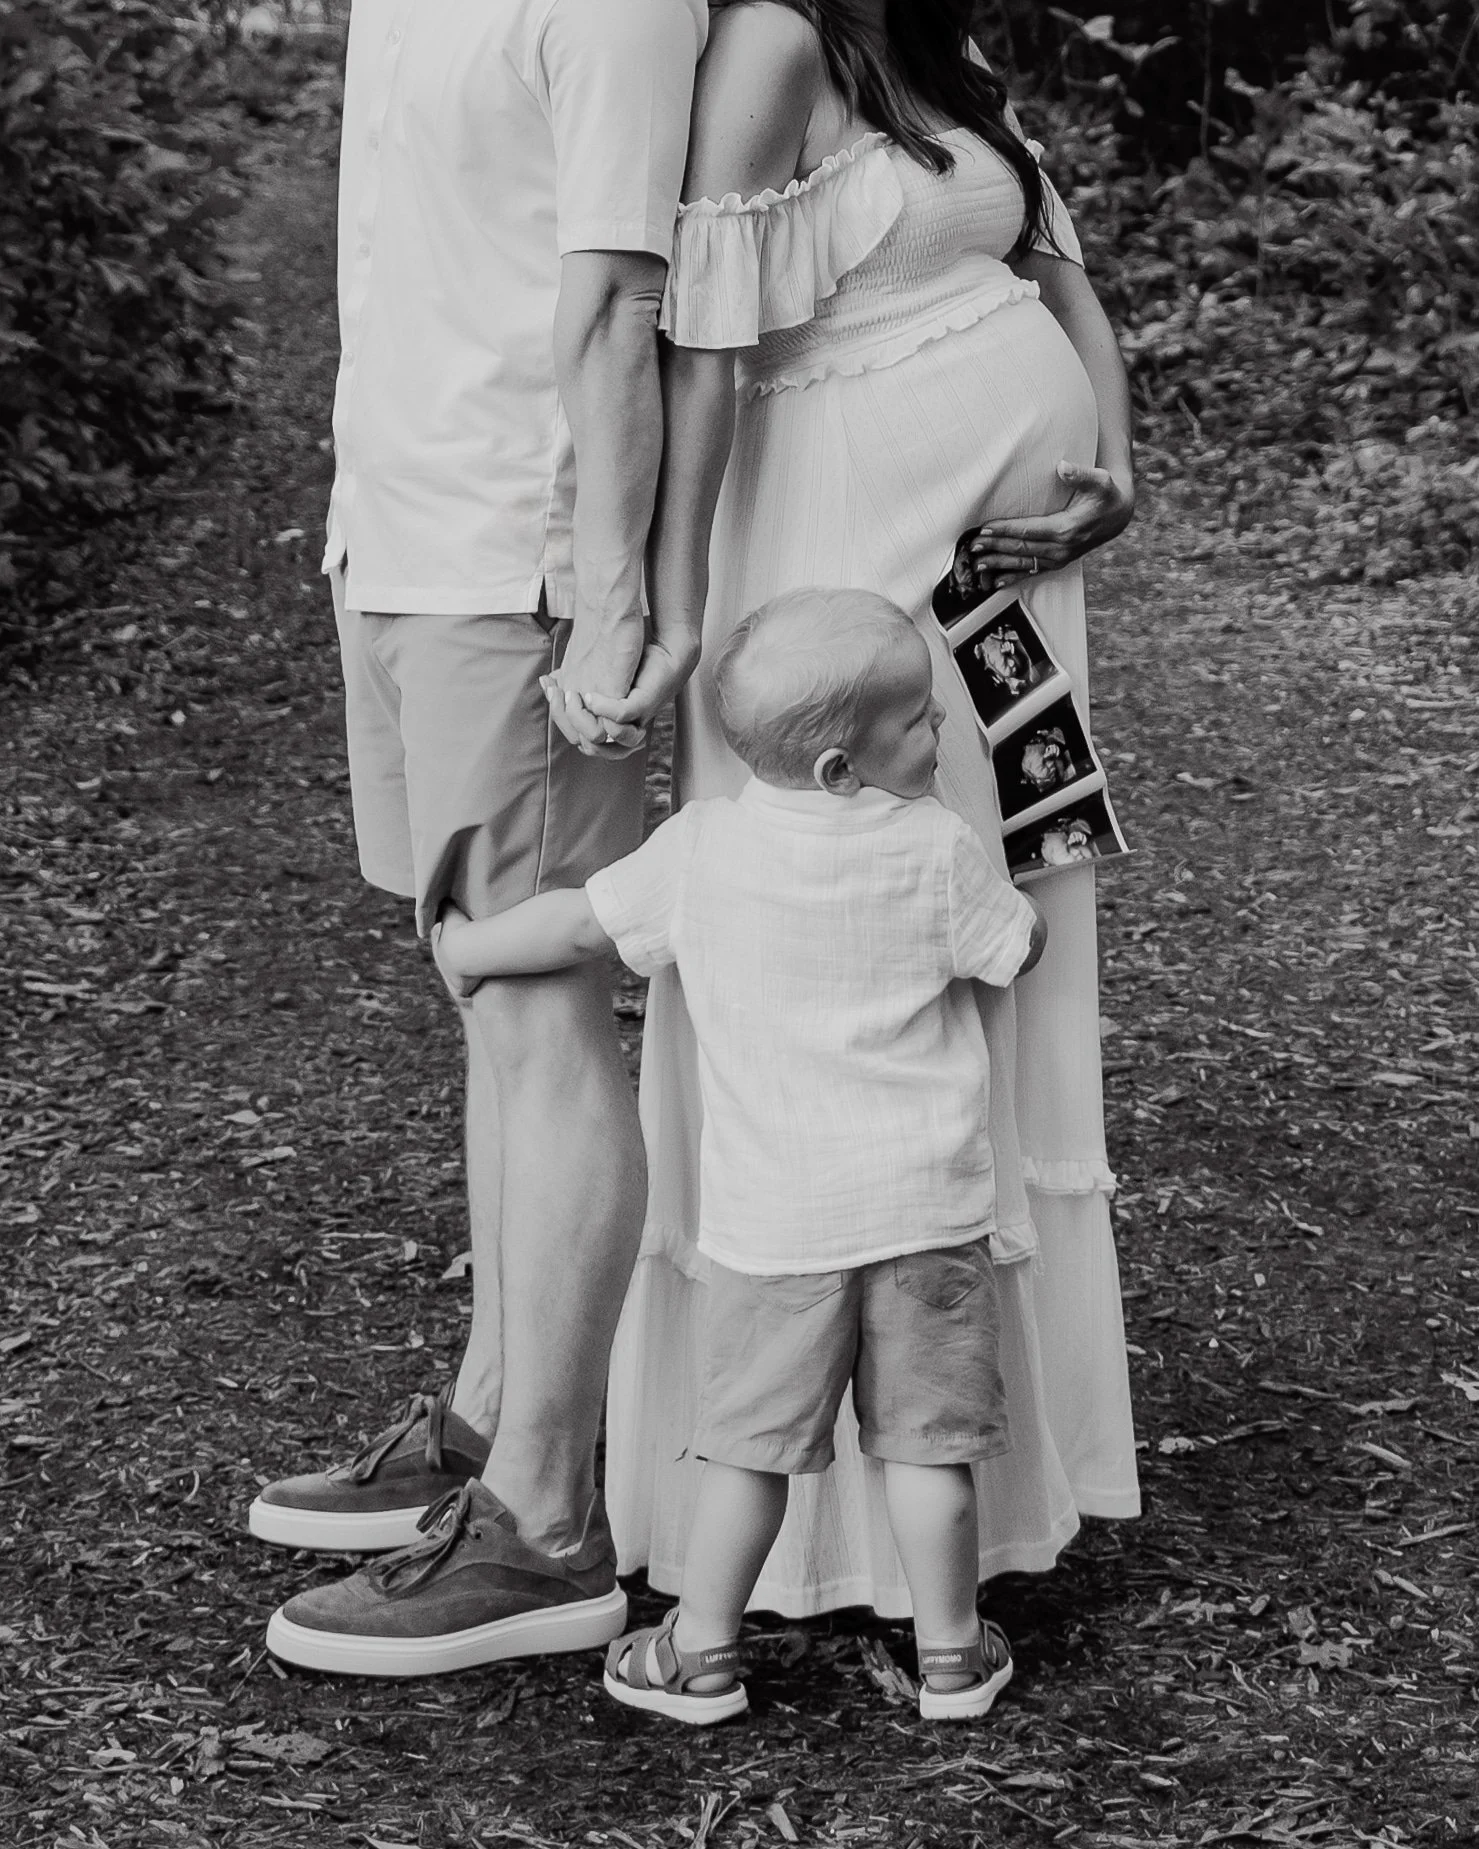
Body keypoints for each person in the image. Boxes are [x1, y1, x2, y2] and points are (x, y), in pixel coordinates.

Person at [559, 0, 1143, 1616]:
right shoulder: (767, 47)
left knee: (985, 935)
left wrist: (1115, 447)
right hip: (839, 556)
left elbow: (1048, 264)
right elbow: (707, 349)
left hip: (1003, 587)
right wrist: (672, 617)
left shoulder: (938, 49)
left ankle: (978, 1479)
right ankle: (832, 1532)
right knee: (856, 958)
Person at [252, 0, 709, 1677]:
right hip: (391, 525)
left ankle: (545, 1528)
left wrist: (608, 593)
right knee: (483, 1001)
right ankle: (488, 1414)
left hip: (518, 565)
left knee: (544, 1011)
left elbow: (620, 301)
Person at [437, 588, 1046, 1725]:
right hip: (927, 1213)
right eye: (919, 724)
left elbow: (576, 926)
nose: (942, 735)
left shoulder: (701, 850)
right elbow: (1018, 945)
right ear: (835, 767)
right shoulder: (936, 848)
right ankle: (954, 1654)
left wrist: (470, 946)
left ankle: (703, 1652)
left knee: (746, 1456)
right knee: (928, 1451)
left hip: (778, 1230)